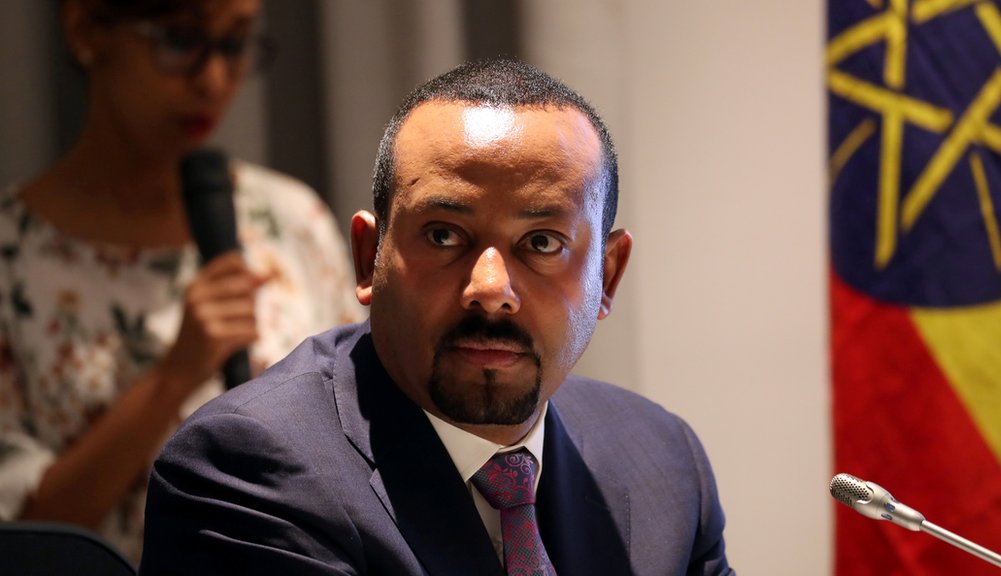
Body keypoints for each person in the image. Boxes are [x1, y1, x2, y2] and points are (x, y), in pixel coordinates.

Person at [140, 59, 733, 575]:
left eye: (543, 242)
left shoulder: (663, 461)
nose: (491, 289)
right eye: (445, 235)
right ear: (370, 258)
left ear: (607, 276)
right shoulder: (248, 470)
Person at [0, 0, 363, 564]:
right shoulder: (11, 254)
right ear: (87, 29)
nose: (213, 80)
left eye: (235, 43)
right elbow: (24, 536)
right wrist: (173, 378)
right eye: (178, 40)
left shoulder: (294, 222)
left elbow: (365, 452)